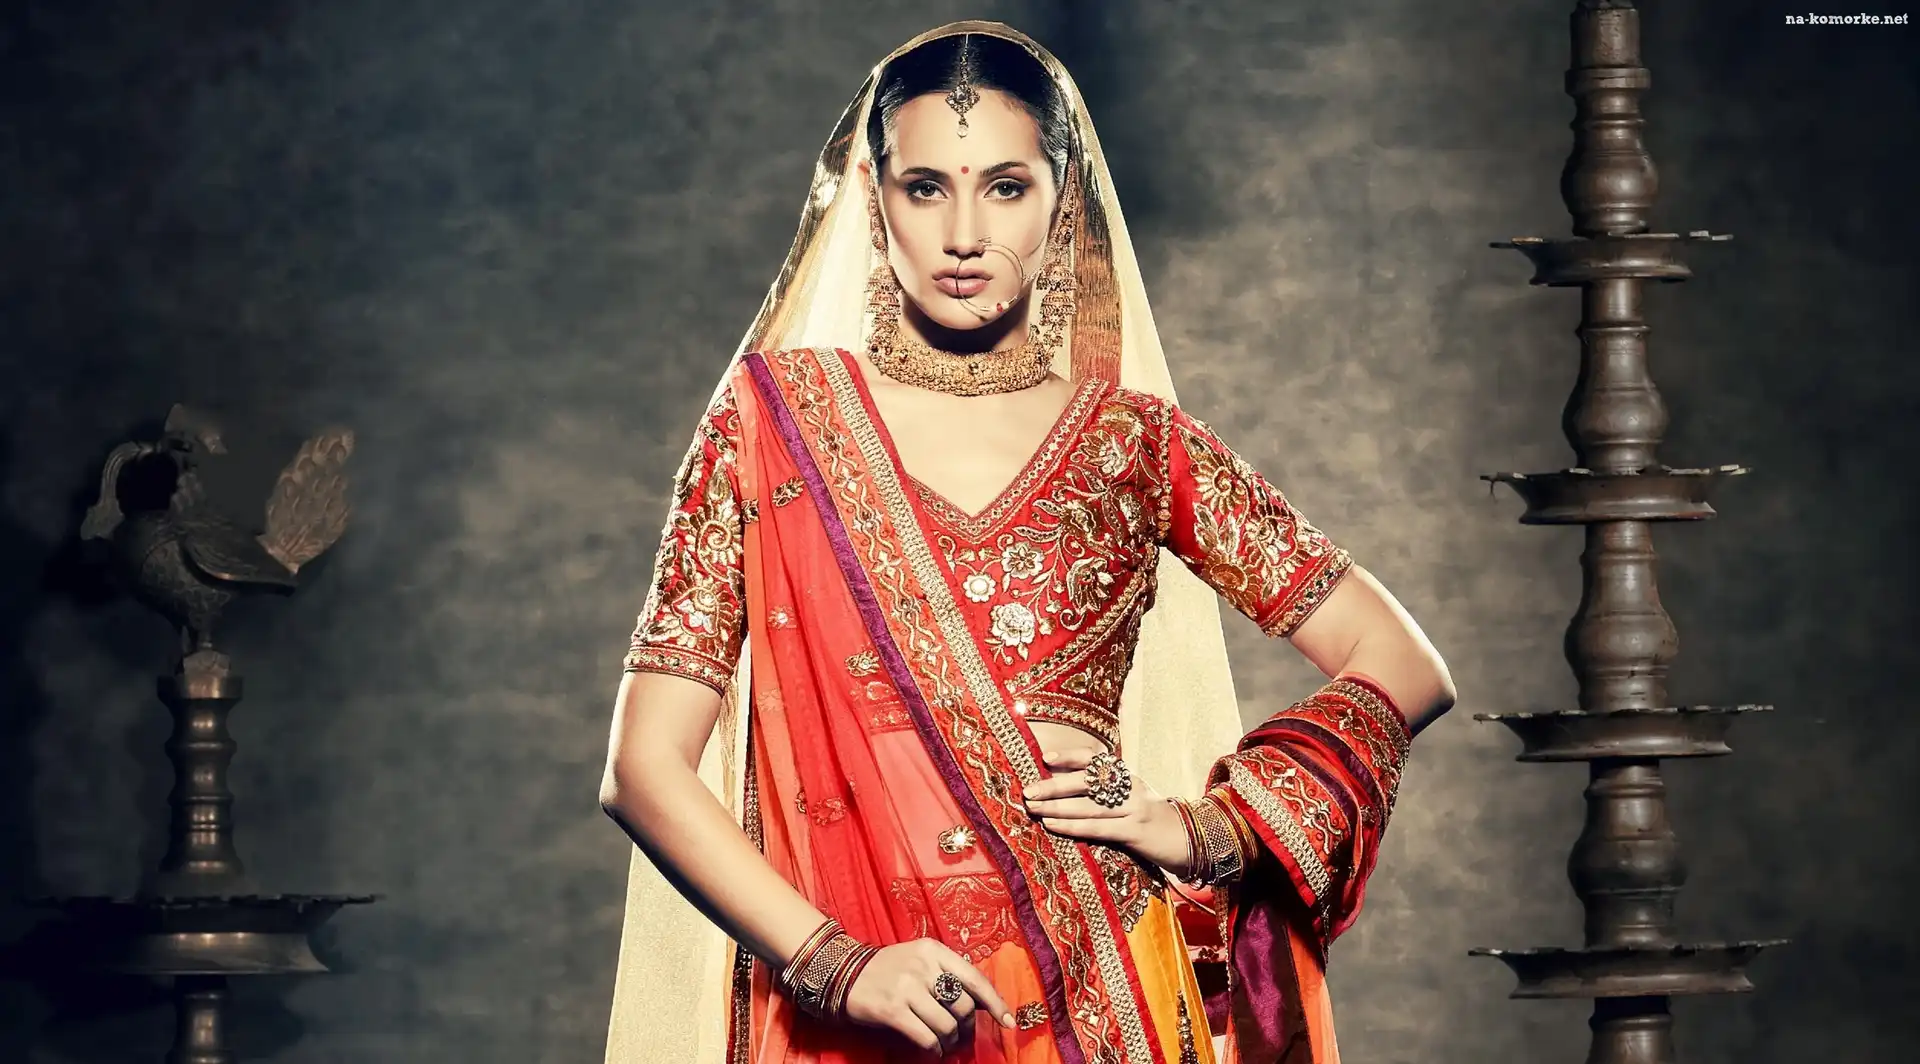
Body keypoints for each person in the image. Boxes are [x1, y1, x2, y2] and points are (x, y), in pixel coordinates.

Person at [598, 21, 1454, 1064]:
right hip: (867, 996)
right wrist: (837, 961)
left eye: (1006, 187)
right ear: (872, 198)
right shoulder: (773, 423)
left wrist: (1206, 827)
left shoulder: (1136, 443)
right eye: (926, 188)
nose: (965, 233)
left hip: (1107, 985)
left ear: (1062, 201)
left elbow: (1401, 662)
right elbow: (644, 767)